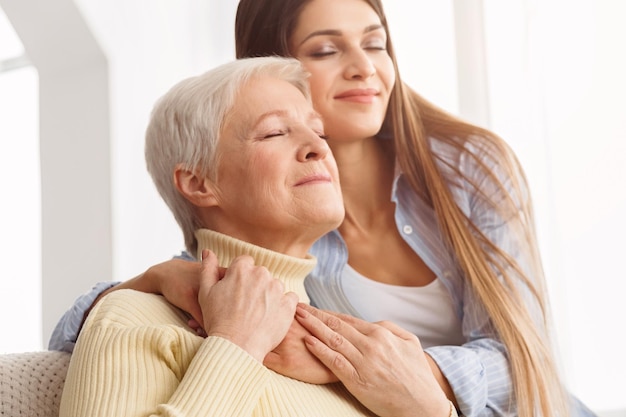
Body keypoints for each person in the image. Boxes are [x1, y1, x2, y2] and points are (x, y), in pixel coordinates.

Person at [51, 1, 595, 416]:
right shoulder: (274, 228)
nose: (364, 68)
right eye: (326, 50)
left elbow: (527, 357)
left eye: (376, 43)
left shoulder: (466, 166)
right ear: (271, 68)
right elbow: (94, 337)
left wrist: (408, 372)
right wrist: (151, 280)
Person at [59, 56, 457, 417]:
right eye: (273, 133)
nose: (317, 146)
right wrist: (236, 346)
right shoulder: (132, 317)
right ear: (199, 182)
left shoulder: (357, 351)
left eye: (319, 132)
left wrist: (430, 409)